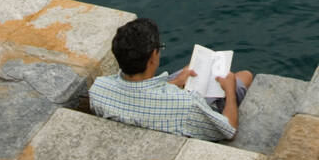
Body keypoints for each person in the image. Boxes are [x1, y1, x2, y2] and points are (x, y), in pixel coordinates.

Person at [89, 17, 253, 142]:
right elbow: (229, 129)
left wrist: (173, 83)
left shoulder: (98, 90)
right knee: (243, 77)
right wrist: (229, 90)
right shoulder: (187, 105)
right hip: (178, 110)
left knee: (188, 69)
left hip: (150, 103)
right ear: (153, 56)